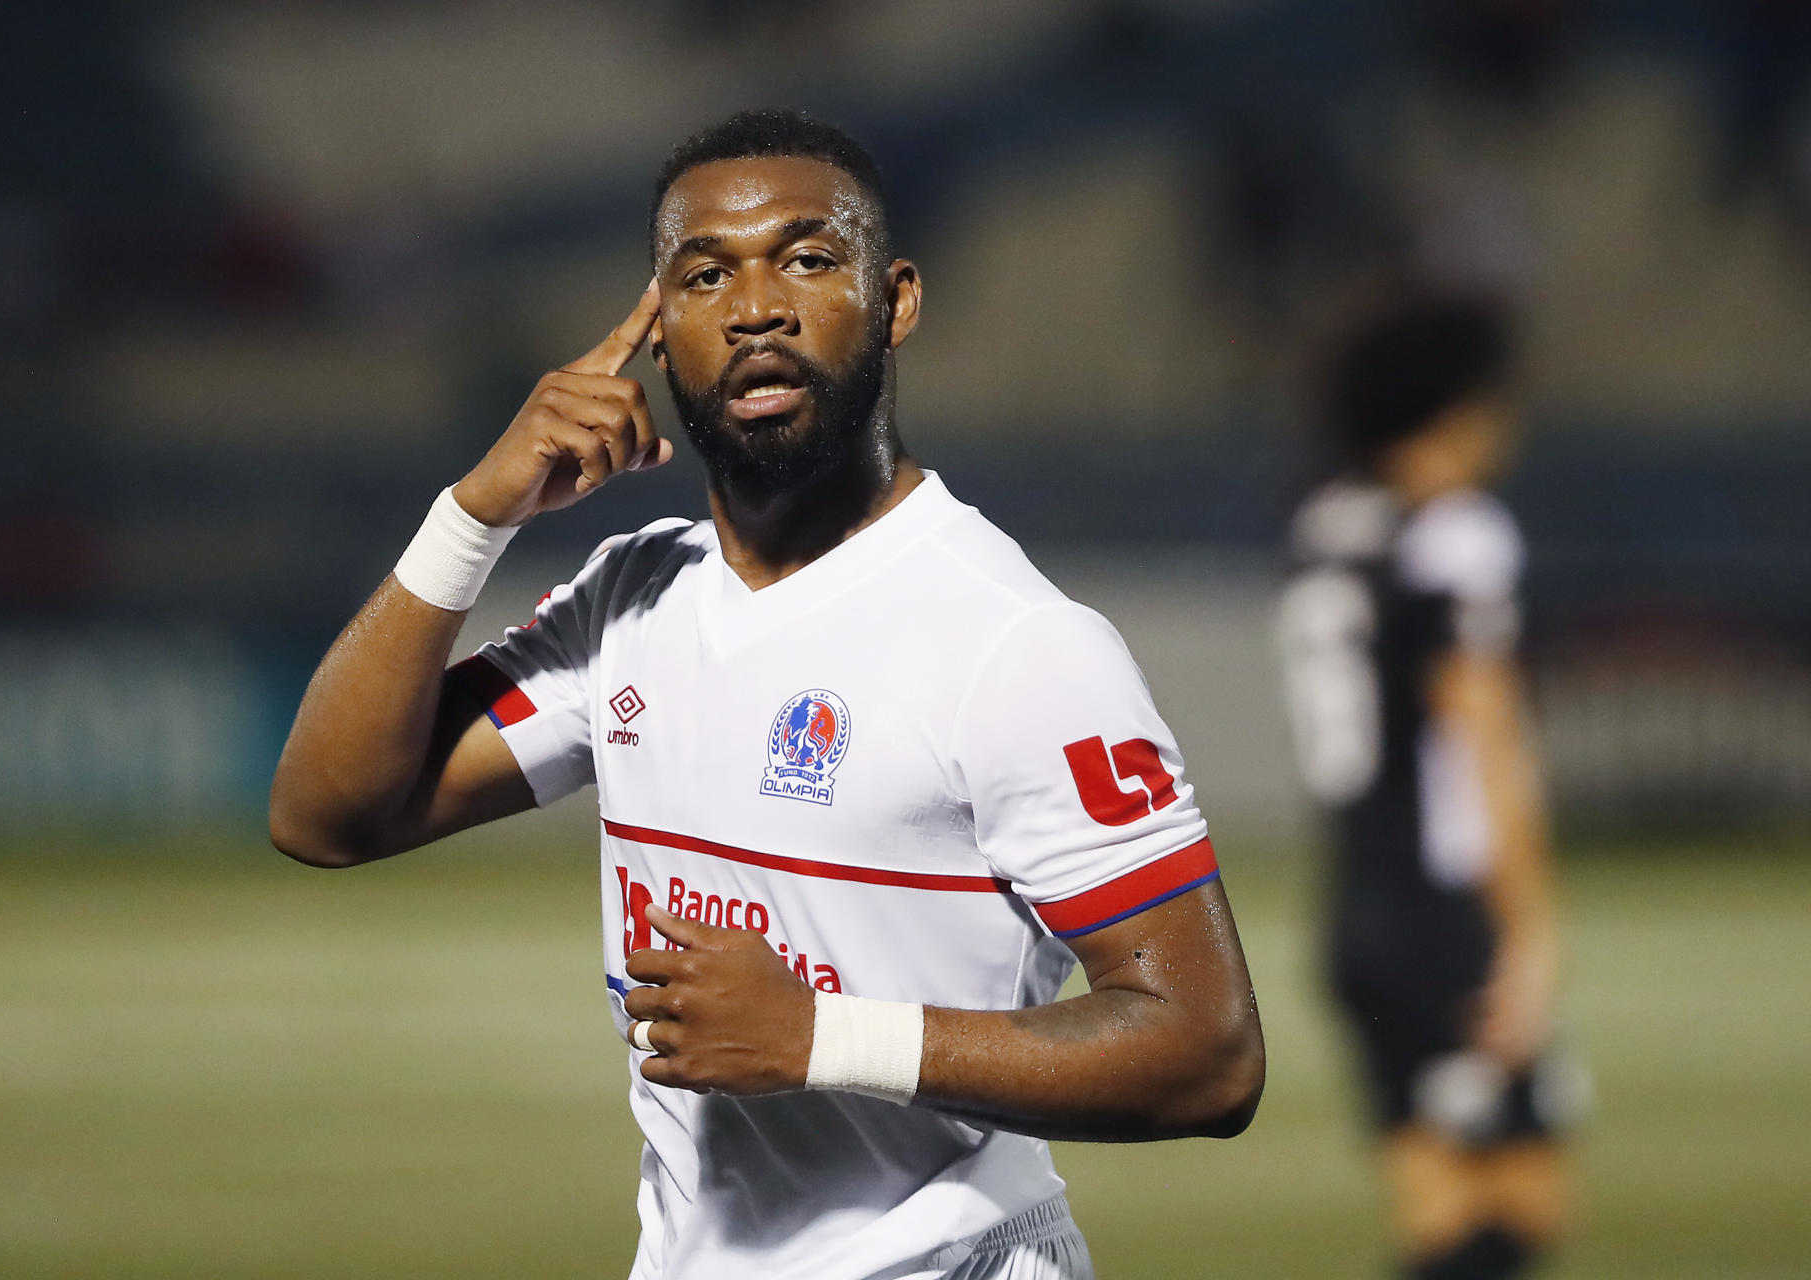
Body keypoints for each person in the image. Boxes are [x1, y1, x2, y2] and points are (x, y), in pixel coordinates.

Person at [270, 108, 1263, 1280]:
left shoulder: (1020, 642)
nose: (756, 307)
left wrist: (821, 1036)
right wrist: (472, 517)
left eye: (805, 258)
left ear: (895, 299)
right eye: (704, 274)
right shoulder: (630, 599)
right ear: (659, 330)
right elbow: (326, 813)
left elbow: (1206, 1051)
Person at [1276, 288, 1579, 1280]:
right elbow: (1488, 739)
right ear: (1449, 409)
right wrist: (1529, 935)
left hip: (1356, 902)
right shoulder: (1453, 534)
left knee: (1439, 1209)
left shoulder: (1327, 524)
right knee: (1519, 1205)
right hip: (1441, 908)